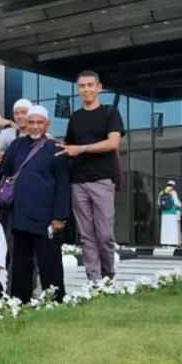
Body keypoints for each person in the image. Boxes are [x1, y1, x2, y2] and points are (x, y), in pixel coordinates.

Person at [55, 70, 125, 282]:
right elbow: (69, 147)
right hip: (78, 182)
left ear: (99, 87)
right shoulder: (75, 117)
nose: (86, 89)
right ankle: (94, 281)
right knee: (86, 236)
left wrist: (81, 149)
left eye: (90, 85)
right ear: (78, 90)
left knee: (104, 234)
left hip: (103, 181)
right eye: (82, 86)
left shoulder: (110, 113)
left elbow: (113, 143)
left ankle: (107, 276)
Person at [2, 105, 70, 303]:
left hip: (46, 217)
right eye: (31, 122)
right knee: (21, 264)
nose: (35, 127)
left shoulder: (56, 148)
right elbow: (6, 169)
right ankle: (19, 302)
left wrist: (60, 217)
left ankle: (55, 301)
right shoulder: (17, 145)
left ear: (46, 124)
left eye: (39, 122)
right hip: (21, 215)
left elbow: (63, 186)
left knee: (50, 263)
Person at [159, 180, 182, 247]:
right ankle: (172, 243)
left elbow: (159, 203)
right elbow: (176, 203)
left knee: (165, 229)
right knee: (172, 229)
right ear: (173, 186)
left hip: (164, 214)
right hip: (172, 213)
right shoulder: (173, 192)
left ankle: (164, 243)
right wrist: (180, 206)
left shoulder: (161, 192)